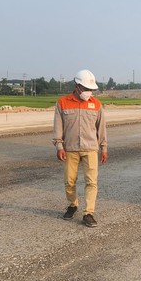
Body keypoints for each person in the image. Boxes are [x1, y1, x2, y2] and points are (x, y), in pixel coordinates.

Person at [53, 69, 108, 227]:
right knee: (69, 181)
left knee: (92, 182)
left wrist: (104, 148)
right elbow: (58, 127)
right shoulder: (62, 102)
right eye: (85, 89)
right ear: (76, 86)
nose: (88, 92)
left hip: (91, 148)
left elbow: (101, 129)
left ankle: (88, 213)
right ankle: (73, 205)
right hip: (70, 149)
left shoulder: (96, 104)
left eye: (91, 89)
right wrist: (59, 146)